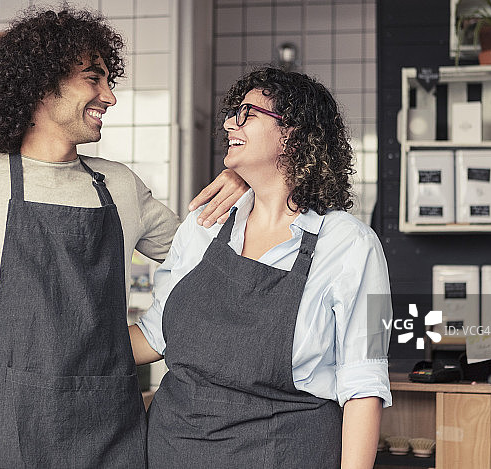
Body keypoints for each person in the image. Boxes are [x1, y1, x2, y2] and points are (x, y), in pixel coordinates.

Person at [0, 6, 246, 469]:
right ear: (40, 83)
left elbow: (210, 259)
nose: (110, 97)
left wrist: (246, 186)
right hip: (12, 436)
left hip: (116, 434)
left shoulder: (119, 185)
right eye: (94, 78)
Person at [130, 67, 393, 469]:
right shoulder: (204, 225)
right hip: (173, 452)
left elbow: (365, 385)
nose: (227, 123)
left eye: (246, 113)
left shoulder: (356, 246)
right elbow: (153, 337)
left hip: (284, 454)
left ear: (293, 132)